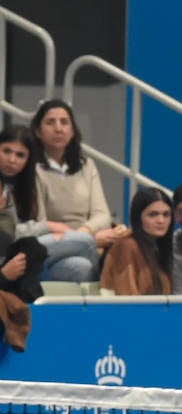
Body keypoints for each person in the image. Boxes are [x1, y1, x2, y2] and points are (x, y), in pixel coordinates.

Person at [29, 99, 118, 282]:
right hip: (51, 244)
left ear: (72, 131)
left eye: (64, 122)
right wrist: (92, 239)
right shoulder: (32, 168)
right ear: (38, 131)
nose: (58, 128)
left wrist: (84, 233)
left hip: (84, 242)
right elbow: (41, 223)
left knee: (82, 267)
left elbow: (102, 215)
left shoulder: (87, 165)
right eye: (50, 122)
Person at [99, 188, 174, 296]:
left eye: (166, 215)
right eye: (153, 214)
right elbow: (128, 300)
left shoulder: (160, 247)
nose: (161, 221)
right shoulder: (127, 246)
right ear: (138, 217)